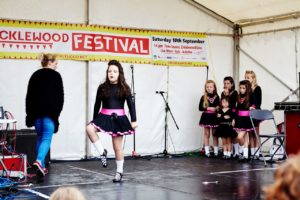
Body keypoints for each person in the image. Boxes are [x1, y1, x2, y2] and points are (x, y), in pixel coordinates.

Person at [86, 60, 137, 182]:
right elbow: (96, 105)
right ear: (107, 73)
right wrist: (94, 120)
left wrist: (134, 120)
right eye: (109, 71)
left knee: (117, 147)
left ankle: (119, 172)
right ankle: (102, 152)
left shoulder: (125, 88)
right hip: (103, 116)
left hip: (119, 118)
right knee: (89, 128)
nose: (111, 73)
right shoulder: (102, 87)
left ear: (119, 73)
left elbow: (131, 105)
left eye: (114, 71)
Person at [25, 53, 64, 177]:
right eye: (56, 63)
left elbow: (29, 97)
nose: (57, 66)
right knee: (46, 138)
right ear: (50, 62)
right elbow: (60, 97)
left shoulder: (34, 75)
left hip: (36, 114)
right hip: (50, 114)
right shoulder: (56, 76)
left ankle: (40, 166)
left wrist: (29, 114)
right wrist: (57, 112)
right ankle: (38, 160)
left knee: (40, 138)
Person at [234, 80, 255, 161]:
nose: (241, 89)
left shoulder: (251, 96)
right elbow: (237, 109)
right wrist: (234, 119)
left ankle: (242, 152)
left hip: (247, 119)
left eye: (243, 88)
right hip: (239, 119)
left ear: (247, 88)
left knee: (240, 137)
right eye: (240, 88)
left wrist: (252, 107)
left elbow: (254, 104)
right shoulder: (239, 97)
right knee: (244, 138)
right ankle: (245, 155)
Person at [199, 80, 220, 157]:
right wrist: (209, 108)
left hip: (214, 117)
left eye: (210, 86)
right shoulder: (203, 97)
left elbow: (218, 107)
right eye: (207, 87)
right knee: (206, 134)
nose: (209, 88)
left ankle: (216, 151)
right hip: (206, 117)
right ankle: (207, 151)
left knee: (214, 134)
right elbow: (200, 108)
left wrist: (217, 108)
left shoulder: (217, 97)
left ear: (214, 88)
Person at [245, 70, 262, 159]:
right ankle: (252, 153)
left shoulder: (257, 88)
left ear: (253, 78)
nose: (246, 79)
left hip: (256, 113)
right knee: (250, 134)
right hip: (248, 113)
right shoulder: (245, 89)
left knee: (256, 133)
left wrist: (253, 107)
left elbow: (258, 102)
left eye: (248, 78)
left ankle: (258, 152)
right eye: (245, 77)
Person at [221, 76, 238, 157]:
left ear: (232, 84)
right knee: (226, 135)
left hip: (233, 114)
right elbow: (223, 105)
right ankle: (227, 152)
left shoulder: (235, 93)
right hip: (225, 115)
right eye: (225, 83)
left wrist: (227, 94)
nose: (226, 85)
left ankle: (236, 152)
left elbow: (231, 104)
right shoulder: (222, 93)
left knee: (233, 134)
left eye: (228, 83)